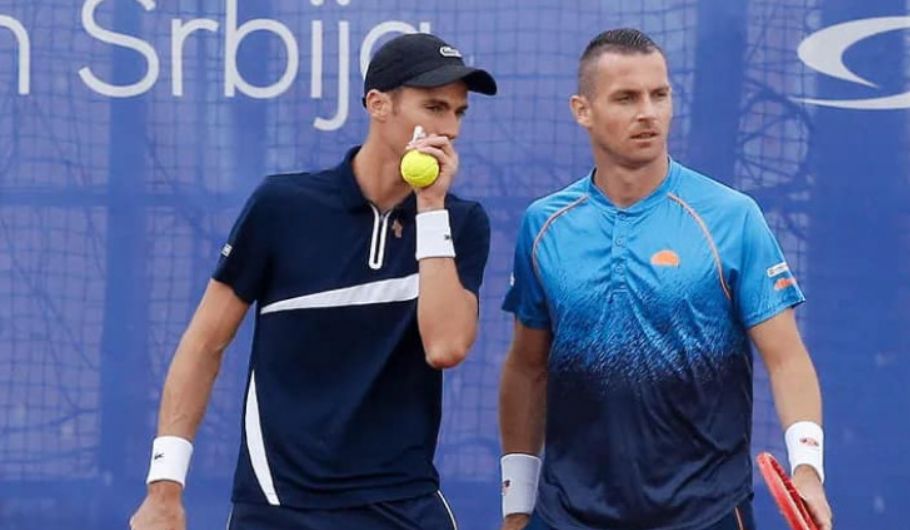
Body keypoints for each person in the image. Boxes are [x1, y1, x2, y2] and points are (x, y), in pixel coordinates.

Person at [129, 32, 497, 530]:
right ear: (378, 104)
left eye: (459, 113)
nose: (449, 128)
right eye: (434, 107)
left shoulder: (461, 223)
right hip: (276, 508)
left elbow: (446, 347)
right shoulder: (282, 208)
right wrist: (164, 488)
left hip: (402, 506)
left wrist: (431, 208)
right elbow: (203, 344)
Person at [497, 28, 832, 530]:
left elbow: (786, 358)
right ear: (582, 110)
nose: (648, 112)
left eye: (660, 95)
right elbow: (527, 368)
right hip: (567, 514)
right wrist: (517, 505)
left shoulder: (732, 217)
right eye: (626, 98)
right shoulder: (543, 225)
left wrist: (807, 469)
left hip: (706, 514)